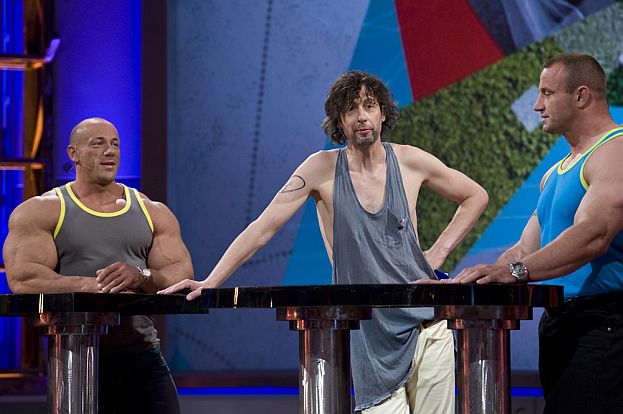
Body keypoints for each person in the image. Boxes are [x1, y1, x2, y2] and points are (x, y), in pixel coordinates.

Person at [161, 71, 488, 413]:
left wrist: (437, 253)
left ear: (383, 113)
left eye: (369, 106)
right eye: (350, 109)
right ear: (339, 121)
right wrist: (211, 281)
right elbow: (262, 229)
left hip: (427, 327)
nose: (361, 116)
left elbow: (475, 195)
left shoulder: (410, 160)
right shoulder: (320, 168)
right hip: (371, 336)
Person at [453, 53, 623, 414]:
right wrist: (468, 284)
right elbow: (522, 251)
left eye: (547, 93)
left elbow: (593, 234)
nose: (536, 105)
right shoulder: (554, 173)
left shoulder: (615, 152)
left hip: (605, 326)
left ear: (581, 96)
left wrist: (516, 272)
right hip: (561, 326)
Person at [2, 117, 194, 414]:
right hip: (75, 358)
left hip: (142, 355)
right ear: (73, 153)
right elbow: (24, 279)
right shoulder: (41, 210)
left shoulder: (152, 211)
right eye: (98, 143)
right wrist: (94, 286)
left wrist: (141, 275)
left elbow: (182, 274)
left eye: (115, 144)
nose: (110, 151)